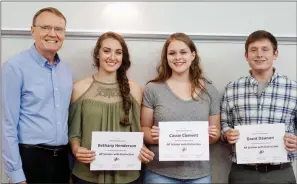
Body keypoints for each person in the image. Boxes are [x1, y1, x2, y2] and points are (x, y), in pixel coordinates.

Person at [68, 31, 155, 184]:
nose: (112, 57)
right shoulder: (79, 87)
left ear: (123, 57)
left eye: (118, 52)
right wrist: (75, 149)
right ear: (97, 54)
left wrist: (143, 149)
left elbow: (136, 130)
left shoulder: (134, 90)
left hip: (126, 174)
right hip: (86, 174)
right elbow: (74, 132)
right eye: (107, 51)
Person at [2, 7, 72, 184]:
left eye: (59, 29)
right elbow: (6, 125)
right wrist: (17, 175)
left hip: (62, 160)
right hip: (30, 159)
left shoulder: (66, 69)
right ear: (33, 31)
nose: (52, 34)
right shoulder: (14, 67)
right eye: (46, 27)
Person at [141, 32, 221, 183]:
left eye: (183, 52)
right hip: (159, 173)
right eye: (172, 53)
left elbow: (215, 134)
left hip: (200, 174)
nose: (178, 57)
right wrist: (162, 138)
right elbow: (144, 128)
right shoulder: (153, 89)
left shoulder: (210, 90)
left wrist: (209, 136)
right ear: (166, 58)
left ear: (193, 55)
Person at [220, 30, 297, 184]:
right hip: (243, 173)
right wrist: (227, 134)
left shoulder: (293, 89)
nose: (259, 54)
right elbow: (224, 124)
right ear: (246, 56)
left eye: (265, 49)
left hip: (281, 173)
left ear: (275, 54)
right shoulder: (232, 88)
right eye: (253, 50)